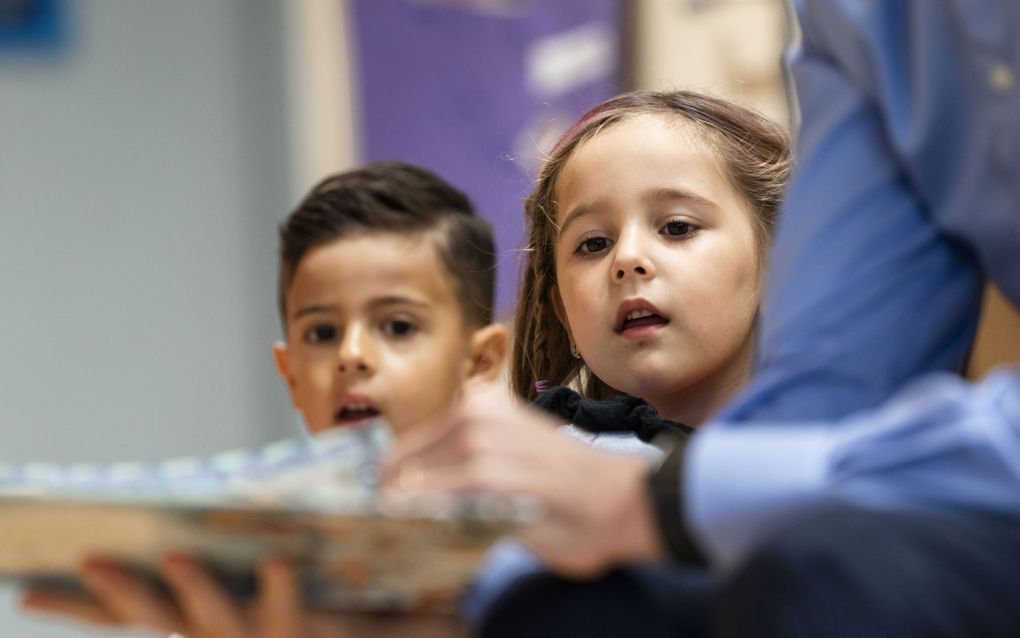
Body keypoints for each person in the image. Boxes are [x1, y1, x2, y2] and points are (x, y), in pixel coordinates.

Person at [387, 1, 1020, 636]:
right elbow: (834, 380)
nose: (629, 260)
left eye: (678, 227)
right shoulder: (853, 20)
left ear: (778, 259)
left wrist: (673, 503)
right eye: (592, 244)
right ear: (561, 308)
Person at [19, 160, 508, 637]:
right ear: (291, 375)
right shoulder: (221, 592)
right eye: (321, 332)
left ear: (480, 363)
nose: (350, 355)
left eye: (398, 326)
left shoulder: (529, 559)